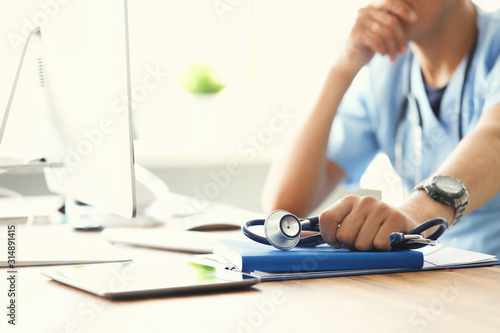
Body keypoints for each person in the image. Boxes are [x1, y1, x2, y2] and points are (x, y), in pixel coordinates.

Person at [261, 0, 500, 257]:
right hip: (433, 275)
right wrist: (344, 67)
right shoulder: (387, 72)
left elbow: (494, 138)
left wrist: (414, 214)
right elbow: (284, 208)